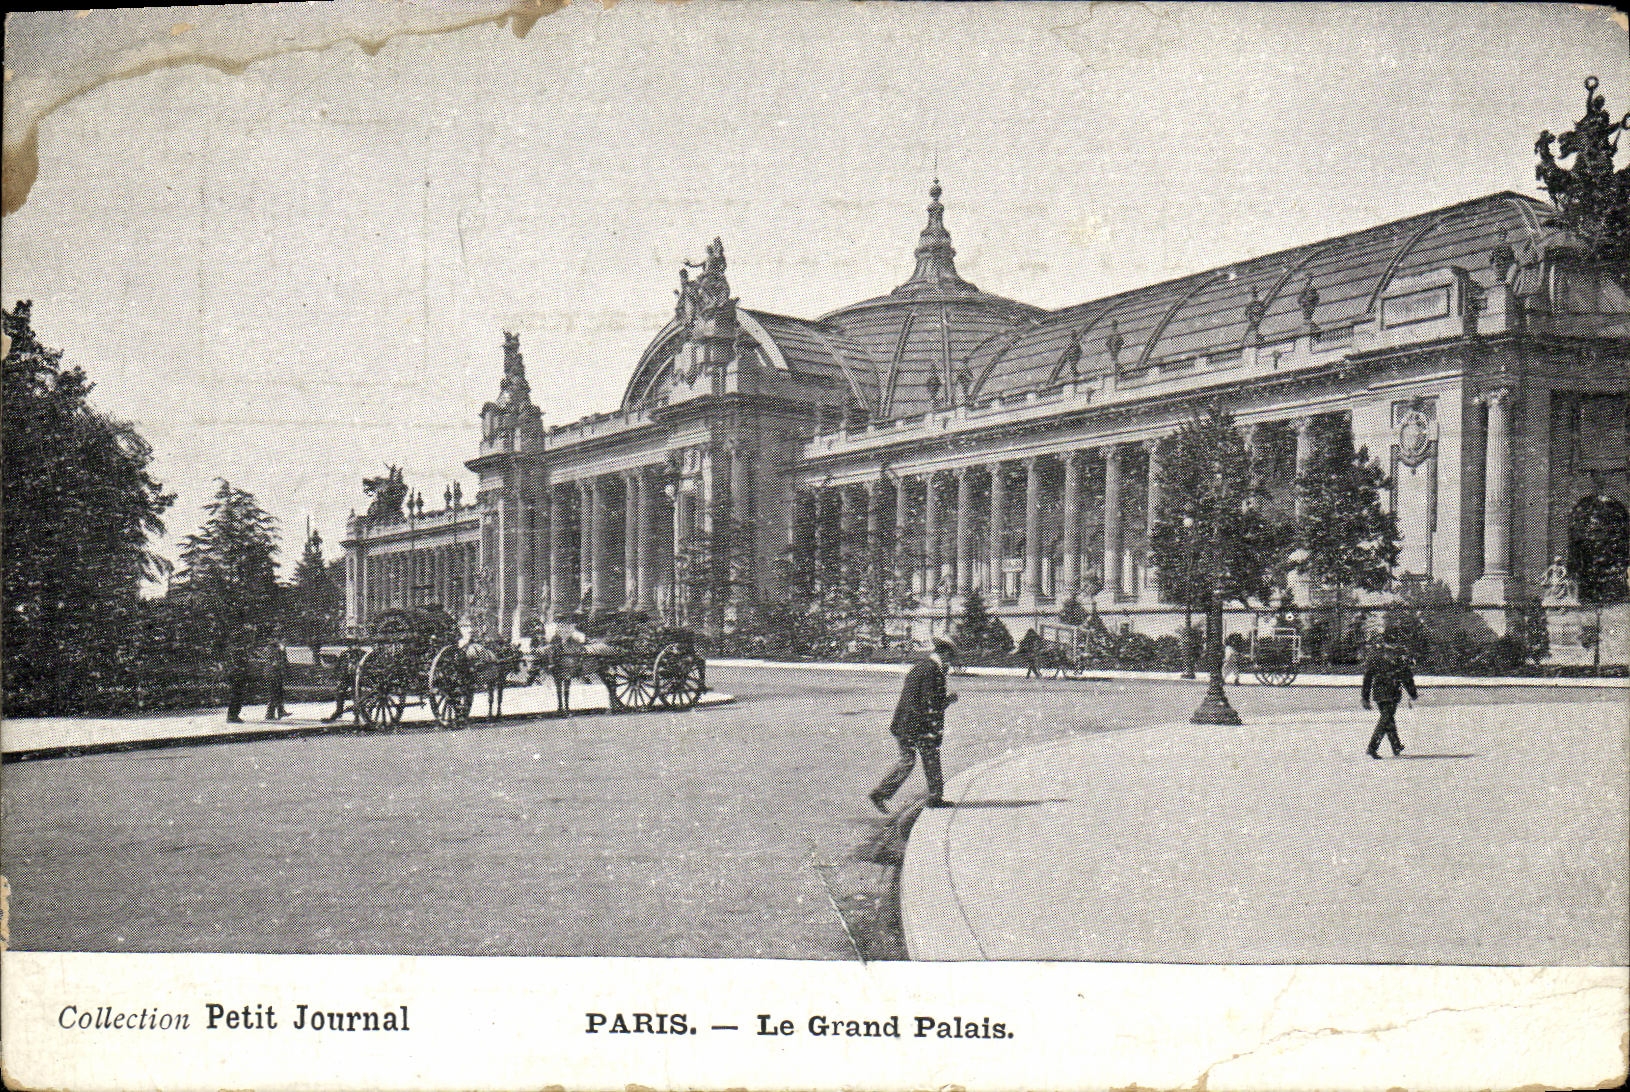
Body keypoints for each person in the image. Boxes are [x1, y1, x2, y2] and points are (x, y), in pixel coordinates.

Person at [869, 637, 960, 813]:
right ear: (945, 652)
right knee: (928, 757)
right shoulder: (931, 669)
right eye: (951, 656)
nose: (951, 660)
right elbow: (930, 702)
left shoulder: (924, 666)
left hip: (906, 721)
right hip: (916, 724)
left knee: (911, 760)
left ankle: (880, 793)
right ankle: (934, 797)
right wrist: (948, 700)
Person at [1361, 638, 1419, 759]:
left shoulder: (1400, 664)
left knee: (1388, 720)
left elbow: (1408, 680)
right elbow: (1367, 679)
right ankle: (1372, 747)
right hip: (1381, 695)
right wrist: (1365, 697)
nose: (1391, 654)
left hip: (1393, 695)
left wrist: (1413, 694)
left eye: (1393, 651)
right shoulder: (1377, 661)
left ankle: (1396, 745)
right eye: (1389, 651)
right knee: (1386, 719)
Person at [224, 643, 255, 724]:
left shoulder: (239, 661)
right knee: (235, 699)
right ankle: (232, 717)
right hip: (237, 680)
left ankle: (234, 716)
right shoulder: (236, 662)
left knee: (238, 699)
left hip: (239, 680)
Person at [263, 641, 289, 721]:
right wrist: (281, 651)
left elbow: (284, 661)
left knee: (279, 693)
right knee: (274, 693)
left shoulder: (277, 649)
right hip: (273, 673)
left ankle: (280, 711)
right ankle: (269, 715)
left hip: (276, 673)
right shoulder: (272, 649)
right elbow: (275, 663)